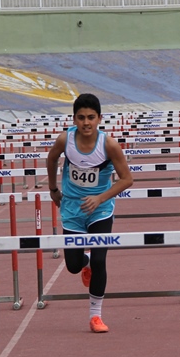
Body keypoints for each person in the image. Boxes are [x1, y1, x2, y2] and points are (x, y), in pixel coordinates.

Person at [45, 93, 133, 333]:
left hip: (100, 210)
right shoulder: (65, 140)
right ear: (74, 118)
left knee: (99, 259)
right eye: (81, 117)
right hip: (72, 208)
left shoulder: (109, 144)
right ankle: (84, 264)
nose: (86, 122)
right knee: (73, 266)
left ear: (99, 119)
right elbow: (51, 159)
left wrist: (99, 198)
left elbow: (127, 179)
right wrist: (53, 188)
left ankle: (96, 316)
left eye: (91, 118)